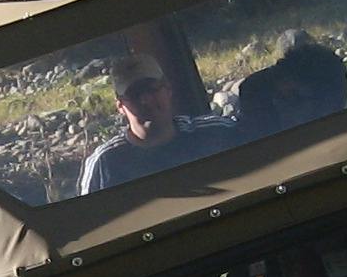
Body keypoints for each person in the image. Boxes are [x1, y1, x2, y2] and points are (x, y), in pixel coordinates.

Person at [80, 52, 238, 192]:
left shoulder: (215, 132)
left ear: (168, 89)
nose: (145, 100)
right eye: (134, 94)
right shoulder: (104, 163)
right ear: (120, 106)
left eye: (151, 89)